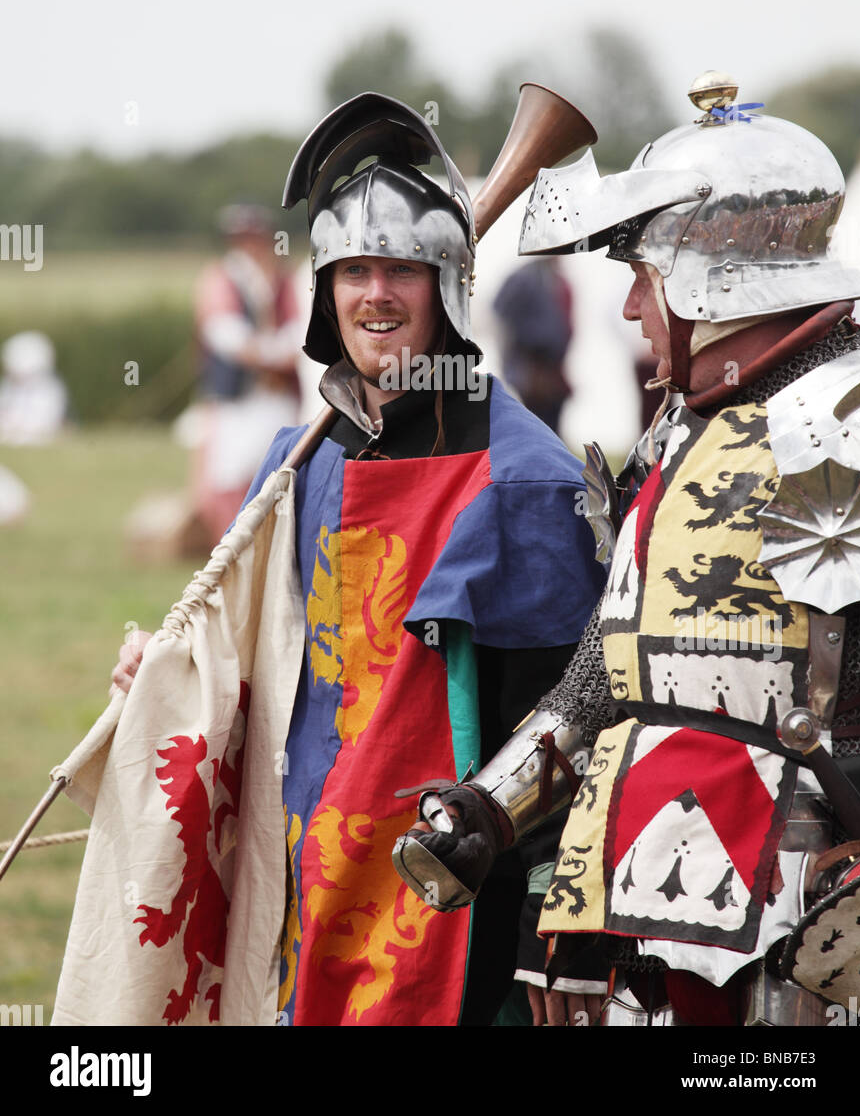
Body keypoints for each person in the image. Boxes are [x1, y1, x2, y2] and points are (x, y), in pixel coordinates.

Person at [115, 92, 604, 1027]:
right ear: (325, 295)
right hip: (308, 868)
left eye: (401, 271)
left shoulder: (527, 480)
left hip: (463, 910)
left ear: (448, 289)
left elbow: (572, 730)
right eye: (353, 270)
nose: (374, 294)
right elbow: (261, 661)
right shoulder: (302, 462)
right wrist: (170, 679)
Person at [393, 71, 860, 1026]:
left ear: (706, 278)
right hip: (635, 883)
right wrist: (493, 804)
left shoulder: (847, 422)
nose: (629, 313)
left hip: (803, 901)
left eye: (642, 280)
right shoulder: (688, 425)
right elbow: (617, 666)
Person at [190, 203, 302, 543]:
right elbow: (225, 334)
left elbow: (298, 329)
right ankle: (231, 542)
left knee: (280, 470)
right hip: (237, 396)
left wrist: (285, 352)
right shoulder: (221, 279)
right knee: (228, 474)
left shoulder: (283, 278)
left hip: (278, 394)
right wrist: (271, 354)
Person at [492, 258, 573, 435]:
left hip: (551, 371)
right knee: (536, 433)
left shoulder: (555, 279)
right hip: (533, 370)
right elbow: (500, 311)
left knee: (551, 432)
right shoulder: (525, 278)